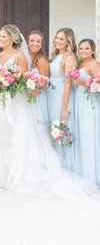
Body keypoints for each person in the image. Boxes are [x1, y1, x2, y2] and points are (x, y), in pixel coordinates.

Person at [0, 25, 94, 201]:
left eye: (3, 36)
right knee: (3, 134)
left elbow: (25, 79)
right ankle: (3, 174)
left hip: (18, 100)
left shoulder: (20, 56)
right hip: (2, 101)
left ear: (12, 38)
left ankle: (20, 174)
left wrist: (10, 82)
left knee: (20, 134)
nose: (0, 39)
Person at [47, 28, 77, 170]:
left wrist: (64, 107)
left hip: (60, 95)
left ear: (68, 42)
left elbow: (68, 82)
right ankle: (53, 163)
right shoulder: (54, 56)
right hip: (51, 94)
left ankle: (63, 165)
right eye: (57, 38)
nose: (57, 41)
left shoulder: (69, 57)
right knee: (51, 127)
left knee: (59, 126)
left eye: (61, 39)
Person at [72, 39, 100, 185]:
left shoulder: (95, 65)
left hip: (89, 104)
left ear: (93, 50)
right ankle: (81, 172)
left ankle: (91, 175)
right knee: (81, 135)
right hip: (78, 101)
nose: (82, 51)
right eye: (81, 49)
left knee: (89, 135)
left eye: (86, 49)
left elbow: (98, 87)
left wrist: (81, 83)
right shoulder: (79, 63)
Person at [27, 30, 49, 127]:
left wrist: (37, 91)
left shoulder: (41, 59)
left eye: (38, 41)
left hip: (36, 96)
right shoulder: (25, 57)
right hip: (25, 95)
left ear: (42, 44)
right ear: (27, 43)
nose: (35, 44)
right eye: (32, 41)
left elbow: (45, 81)